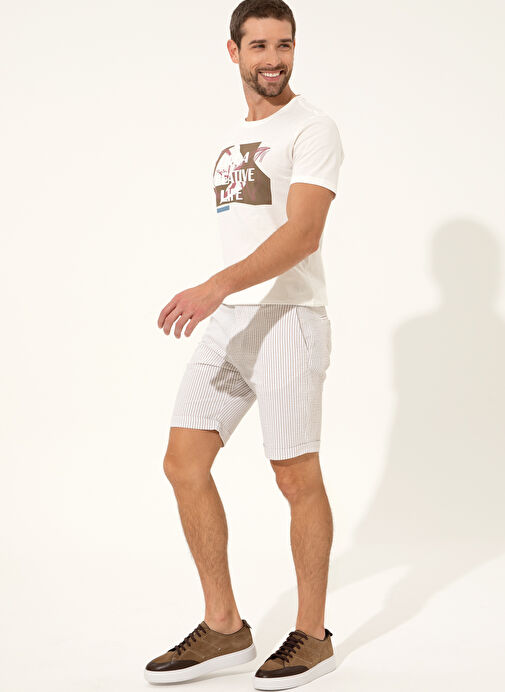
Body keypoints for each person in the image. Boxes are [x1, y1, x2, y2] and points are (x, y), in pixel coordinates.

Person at [144, 0, 344, 688]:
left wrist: (214, 285)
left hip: (289, 317)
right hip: (233, 319)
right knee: (183, 462)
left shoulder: (312, 128)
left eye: (284, 45)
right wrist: (222, 296)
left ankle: (312, 635)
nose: (273, 59)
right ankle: (225, 627)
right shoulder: (233, 137)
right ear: (233, 52)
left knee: (294, 475)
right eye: (259, 46)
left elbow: (303, 234)